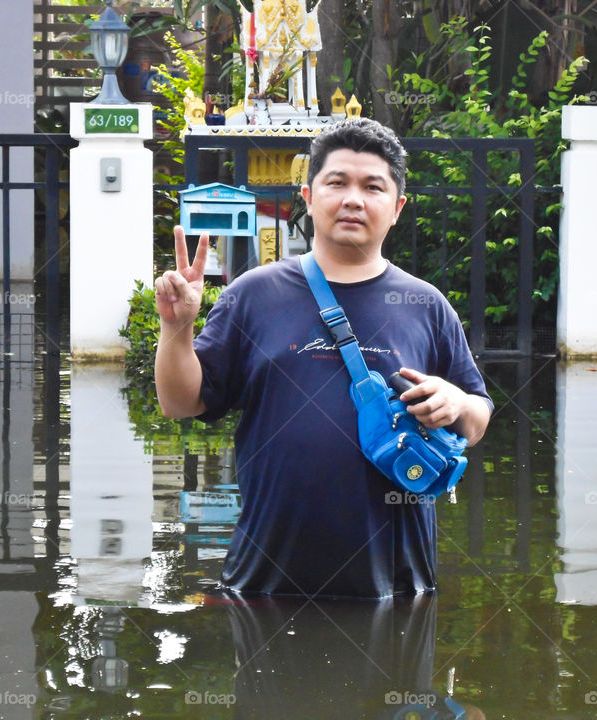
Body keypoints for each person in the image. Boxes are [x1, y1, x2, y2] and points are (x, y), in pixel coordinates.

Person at [154, 118, 492, 598]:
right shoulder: (253, 294)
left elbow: (478, 419)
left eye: (372, 187)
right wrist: (177, 327)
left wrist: (456, 402)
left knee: (395, 671)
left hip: (395, 582)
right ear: (309, 197)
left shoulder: (425, 304)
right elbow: (181, 403)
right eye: (337, 183)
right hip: (268, 579)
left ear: (396, 208)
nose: (353, 198)